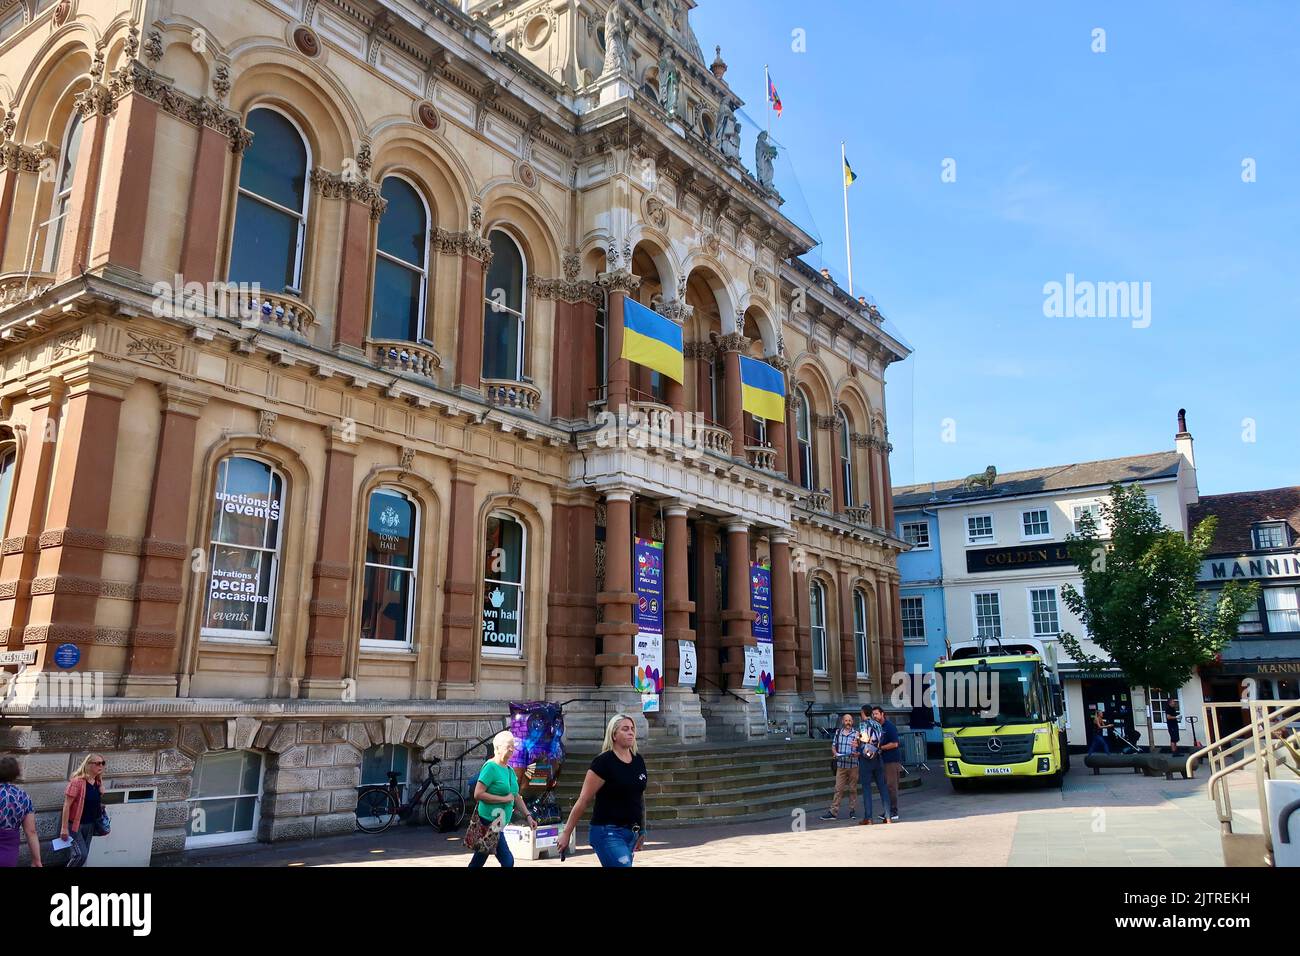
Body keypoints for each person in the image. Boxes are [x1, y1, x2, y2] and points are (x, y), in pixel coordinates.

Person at [558, 713, 648, 866]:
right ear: (613, 734)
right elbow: (584, 800)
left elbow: (640, 797)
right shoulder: (603, 762)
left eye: (632, 728)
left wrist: (642, 830)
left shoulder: (638, 760)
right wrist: (566, 833)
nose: (631, 732)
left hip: (630, 832)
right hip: (607, 831)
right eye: (625, 729)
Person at [468, 730, 537, 868]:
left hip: (498, 823)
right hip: (489, 822)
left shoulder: (509, 770)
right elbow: (478, 794)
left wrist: (528, 816)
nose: (512, 749)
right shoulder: (491, 767)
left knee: (479, 859)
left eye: (513, 746)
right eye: (508, 746)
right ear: (498, 748)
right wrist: (504, 799)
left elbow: (516, 796)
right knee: (507, 861)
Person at [60, 753, 106, 866]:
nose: (101, 766)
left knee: (82, 857)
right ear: (88, 765)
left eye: (103, 763)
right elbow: (66, 805)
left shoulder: (98, 782)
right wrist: (64, 828)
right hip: (75, 825)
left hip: (90, 825)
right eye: (98, 763)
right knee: (80, 855)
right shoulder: (77, 782)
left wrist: (100, 792)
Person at [0, 756, 40, 867]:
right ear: (16, 773)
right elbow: (31, 832)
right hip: (9, 852)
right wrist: (37, 860)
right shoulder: (23, 797)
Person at [856, 705, 891, 825]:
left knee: (866, 788)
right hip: (878, 756)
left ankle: (868, 817)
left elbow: (864, 738)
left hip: (866, 758)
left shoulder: (863, 724)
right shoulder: (877, 724)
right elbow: (881, 738)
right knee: (882, 787)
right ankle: (888, 816)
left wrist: (858, 737)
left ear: (862, 713)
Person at [820, 713, 858, 821]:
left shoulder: (856, 734)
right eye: (846, 720)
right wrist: (835, 753)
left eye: (850, 720)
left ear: (852, 722)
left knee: (853, 789)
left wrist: (857, 753)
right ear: (842, 721)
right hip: (841, 765)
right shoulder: (838, 733)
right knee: (838, 789)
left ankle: (852, 811)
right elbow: (833, 746)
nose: (848, 723)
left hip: (853, 765)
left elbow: (860, 748)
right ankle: (833, 812)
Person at [873, 705, 902, 822]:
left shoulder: (889, 727)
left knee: (891, 786)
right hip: (882, 761)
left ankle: (893, 811)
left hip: (891, 761)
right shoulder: (877, 727)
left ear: (882, 714)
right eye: (873, 714)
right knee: (885, 787)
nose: (874, 716)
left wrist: (881, 747)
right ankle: (887, 810)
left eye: (876, 714)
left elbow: (895, 744)